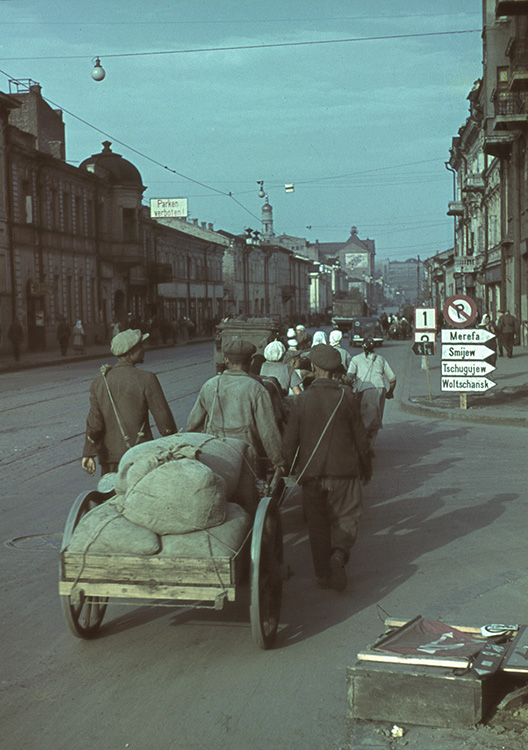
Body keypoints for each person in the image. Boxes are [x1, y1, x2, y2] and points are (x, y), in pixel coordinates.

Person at [283, 344, 372, 591]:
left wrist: (288, 468)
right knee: (347, 517)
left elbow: (290, 441)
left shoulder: (302, 400)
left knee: (317, 524)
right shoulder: (348, 397)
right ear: (335, 371)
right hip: (344, 473)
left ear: (314, 368)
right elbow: (360, 439)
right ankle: (339, 555)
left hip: (312, 475)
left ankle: (322, 575)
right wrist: (366, 468)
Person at [81, 329, 177, 477]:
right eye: (140, 346)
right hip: (140, 456)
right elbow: (165, 422)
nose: (144, 350)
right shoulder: (147, 379)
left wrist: (88, 453)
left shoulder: (100, 382)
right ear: (130, 352)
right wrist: (175, 446)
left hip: (110, 460)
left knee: (112, 497)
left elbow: (94, 424)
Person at [186, 338, 285, 477]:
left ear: (226, 360)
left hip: (214, 453)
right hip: (245, 456)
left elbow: (192, 425)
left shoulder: (210, 385)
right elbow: (268, 430)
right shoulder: (256, 388)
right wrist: (278, 460)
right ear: (251, 361)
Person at [346, 337, 396, 451]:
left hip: (364, 390)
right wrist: (390, 392)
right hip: (380, 389)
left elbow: (350, 377)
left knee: (363, 418)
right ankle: (370, 446)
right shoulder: (381, 359)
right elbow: (392, 379)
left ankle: (363, 447)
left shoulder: (355, 359)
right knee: (376, 418)